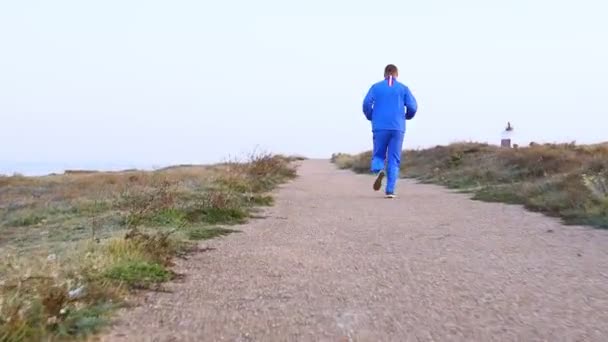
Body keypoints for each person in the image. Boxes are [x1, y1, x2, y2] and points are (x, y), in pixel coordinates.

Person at [362, 64, 418, 198]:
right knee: (394, 159)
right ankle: (390, 191)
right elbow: (413, 106)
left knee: (378, 154)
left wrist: (371, 116)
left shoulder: (375, 87)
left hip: (380, 127)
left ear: (384, 74)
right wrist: (407, 116)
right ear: (396, 74)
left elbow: (366, 104)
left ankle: (379, 169)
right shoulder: (403, 88)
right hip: (397, 127)